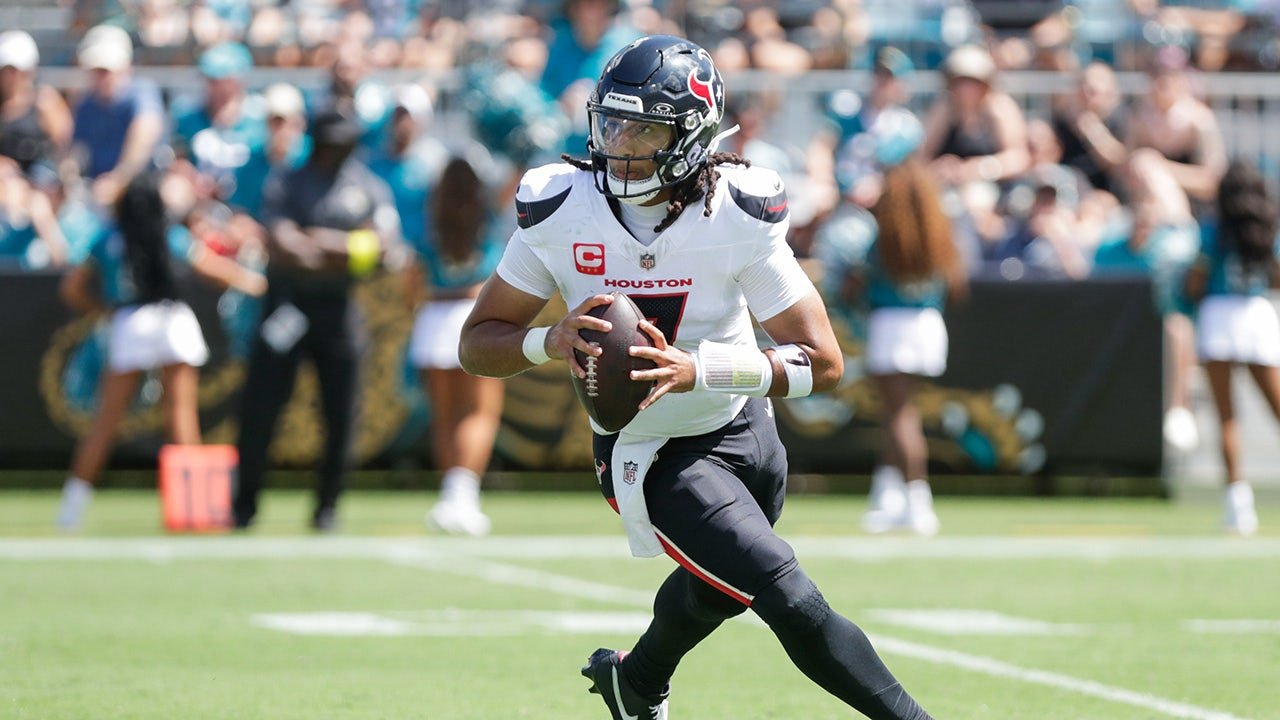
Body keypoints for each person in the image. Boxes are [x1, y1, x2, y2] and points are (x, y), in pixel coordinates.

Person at [459, 35, 933, 720]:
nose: (620, 146)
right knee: (786, 593)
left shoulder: (735, 212)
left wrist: (699, 369)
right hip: (648, 449)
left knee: (719, 586)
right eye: (611, 125)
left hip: (744, 429)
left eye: (644, 130)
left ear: (690, 136)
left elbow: (823, 361)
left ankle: (635, 682)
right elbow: (478, 343)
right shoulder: (562, 210)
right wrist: (547, 339)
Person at [55, 172, 266, 532]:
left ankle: (70, 512)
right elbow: (208, 266)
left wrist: (104, 311)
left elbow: (72, 288)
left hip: (130, 321)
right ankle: (196, 509)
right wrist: (251, 280)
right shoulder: (170, 234)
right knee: (182, 417)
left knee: (105, 423)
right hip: (172, 320)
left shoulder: (107, 238)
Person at [232, 108, 404, 533]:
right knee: (261, 408)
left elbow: (385, 247)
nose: (337, 149)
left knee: (342, 412)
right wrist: (351, 249)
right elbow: (284, 244)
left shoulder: (367, 186)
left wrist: (321, 242)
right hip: (287, 303)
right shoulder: (287, 181)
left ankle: (327, 506)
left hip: (338, 306)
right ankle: (244, 505)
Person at [409, 155, 510, 535]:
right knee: (480, 413)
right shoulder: (489, 219)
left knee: (445, 415)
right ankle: (464, 499)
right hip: (474, 315)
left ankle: (449, 498)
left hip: (434, 317)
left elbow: (410, 279)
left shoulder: (428, 223)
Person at [1183, 160, 1280, 536]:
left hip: (1220, 316)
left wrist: (1186, 289)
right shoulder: (1268, 228)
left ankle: (1239, 508)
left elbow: (1196, 280)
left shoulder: (1213, 230)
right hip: (1256, 313)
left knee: (1227, 417)